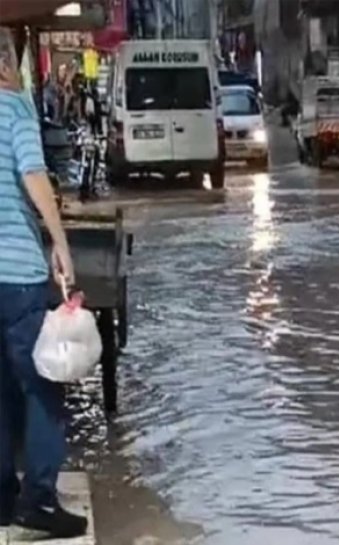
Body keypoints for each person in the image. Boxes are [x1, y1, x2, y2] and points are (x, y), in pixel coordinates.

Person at [0, 29, 86, 539]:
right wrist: (60, 242)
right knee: (44, 386)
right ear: (7, 62)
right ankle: (39, 499)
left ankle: (2, 497)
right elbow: (33, 175)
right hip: (15, 276)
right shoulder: (14, 108)